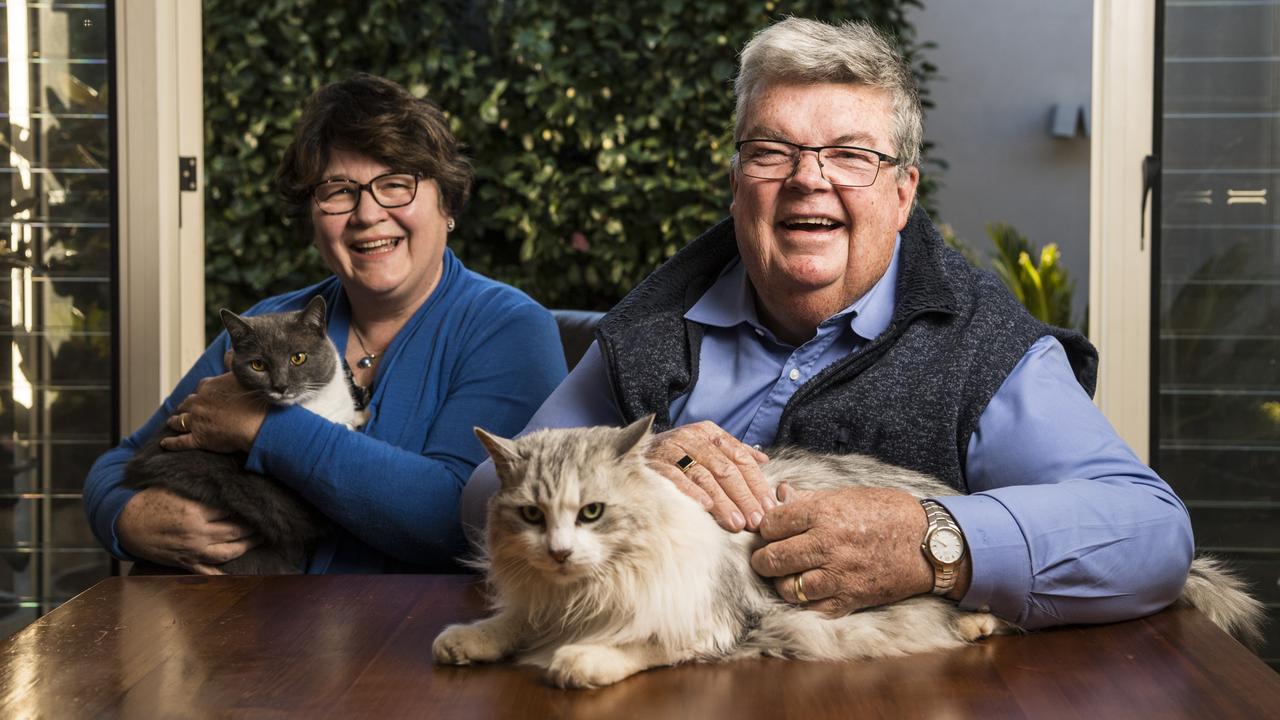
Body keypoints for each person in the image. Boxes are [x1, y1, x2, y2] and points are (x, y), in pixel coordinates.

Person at [462, 19, 1193, 629]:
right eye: (772, 151)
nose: (808, 178)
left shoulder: (984, 345)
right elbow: (480, 494)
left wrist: (938, 540)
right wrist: (635, 469)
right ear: (737, 182)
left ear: (903, 194)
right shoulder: (651, 325)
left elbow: (1153, 531)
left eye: (850, 155)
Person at [85, 74, 567, 574]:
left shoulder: (511, 329)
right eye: (338, 191)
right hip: (224, 624)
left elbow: (461, 522)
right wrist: (129, 518)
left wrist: (261, 427)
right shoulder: (271, 325)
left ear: (447, 203)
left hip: (408, 636)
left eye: (396, 185)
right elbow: (116, 466)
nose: (367, 214)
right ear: (315, 219)